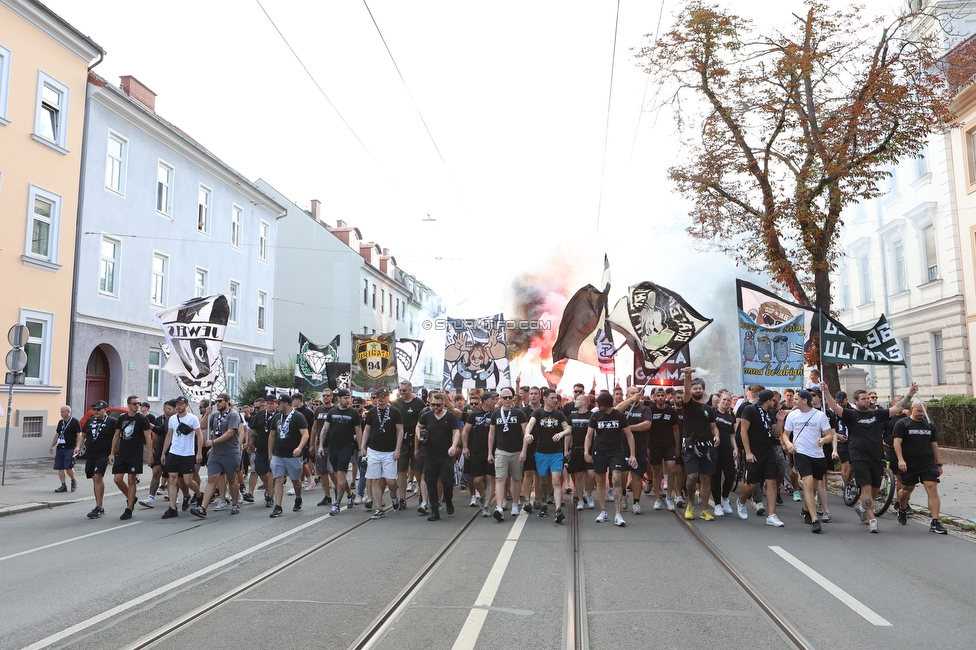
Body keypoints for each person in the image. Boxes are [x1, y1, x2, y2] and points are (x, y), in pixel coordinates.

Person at [824, 383, 916, 533]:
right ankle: (872, 519)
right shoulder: (851, 414)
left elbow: (897, 408)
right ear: (856, 401)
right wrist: (827, 392)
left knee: (876, 488)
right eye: (863, 399)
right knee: (866, 488)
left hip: (876, 456)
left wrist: (910, 394)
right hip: (859, 457)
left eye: (868, 398)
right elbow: (835, 408)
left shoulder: (876, 414)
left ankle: (862, 508)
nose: (867, 401)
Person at [782, 390, 834, 533]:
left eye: (796, 399)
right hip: (800, 453)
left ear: (805, 400)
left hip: (817, 455)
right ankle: (815, 520)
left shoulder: (820, 415)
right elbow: (785, 434)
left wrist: (823, 440)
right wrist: (789, 444)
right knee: (808, 483)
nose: (793, 401)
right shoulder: (792, 415)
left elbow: (829, 435)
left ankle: (806, 510)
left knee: (814, 487)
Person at [584, 392, 637, 527]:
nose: (597, 406)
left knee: (616, 480)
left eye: (599, 404)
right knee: (600, 482)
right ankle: (603, 511)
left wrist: (632, 454)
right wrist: (586, 452)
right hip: (599, 452)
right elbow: (589, 435)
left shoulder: (619, 416)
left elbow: (629, 435)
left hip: (616, 452)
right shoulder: (595, 416)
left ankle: (618, 514)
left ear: (605, 405)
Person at [892, 402, 947, 534]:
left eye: (923, 411)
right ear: (911, 409)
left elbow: (934, 445)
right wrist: (900, 459)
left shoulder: (929, 425)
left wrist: (939, 464)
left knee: (932, 488)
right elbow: (896, 442)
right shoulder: (902, 424)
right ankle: (902, 508)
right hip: (909, 463)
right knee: (906, 490)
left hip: (927, 463)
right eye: (918, 411)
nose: (921, 414)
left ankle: (935, 522)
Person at [735, 390, 785, 526]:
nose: (774, 403)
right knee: (752, 483)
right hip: (754, 451)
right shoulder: (750, 410)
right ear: (768, 401)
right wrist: (748, 452)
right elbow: (743, 431)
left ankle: (771, 515)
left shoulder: (769, 413)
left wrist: (780, 422)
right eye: (773, 400)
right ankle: (742, 501)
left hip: (768, 450)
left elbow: (775, 434)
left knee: (772, 481)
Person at [190, 393, 242, 518]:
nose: (217, 403)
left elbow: (230, 433)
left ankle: (235, 503)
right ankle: (203, 508)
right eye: (216, 401)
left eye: (220, 401)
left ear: (227, 402)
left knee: (231, 478)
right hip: (216, 453)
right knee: (212, 478)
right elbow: (201, 426)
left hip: (230, 452)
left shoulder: (233, 415)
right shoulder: (215, 415)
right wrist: (207, 414)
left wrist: (213, 442)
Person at [679, 368, 720, 521]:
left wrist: (717, 436)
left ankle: (704, 509)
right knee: (692, 477)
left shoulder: (709, 409)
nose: (697, 390)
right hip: (690, 447)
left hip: (707, 448)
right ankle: (690, 504)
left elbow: (713, 426)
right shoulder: (688, 404)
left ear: (703, 390)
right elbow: (686, 391)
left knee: (706, 478)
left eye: (700, 388)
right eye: (694, 388)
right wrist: (687, 376)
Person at [525, 388, 571, 523]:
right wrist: (528, 434)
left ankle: (558, 510)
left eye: (556, 398)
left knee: (556, 480)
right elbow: (530, 424)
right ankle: (544, 505)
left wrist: (562, 433)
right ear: (544, 398)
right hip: (541, 452)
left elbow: (568, 428)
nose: (555, 400)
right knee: (543, 481)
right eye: (552, 398)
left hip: (556, 453)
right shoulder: (538, 412)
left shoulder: (559, 414)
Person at [417, 392, 461, 521]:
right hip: (430, 454)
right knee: (431, 481)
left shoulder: (450, 416)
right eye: (432, 405)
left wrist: (453, 446)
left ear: (443, 404)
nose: (435, 407)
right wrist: (420, 436)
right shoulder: (426, 416)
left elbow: (456, 431)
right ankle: (434, 510)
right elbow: (418, 427)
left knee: (447, 481)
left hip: (446, 455)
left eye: (438, 405)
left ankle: (448, 498)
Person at [487, 386, 529, 521]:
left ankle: (515, 503)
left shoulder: (519, 413)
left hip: (517, 451)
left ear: (513, 399)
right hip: (501, 451)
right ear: (500, 398)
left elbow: (525, 433)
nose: (507, 400)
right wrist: (490, 452)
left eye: (509, 397)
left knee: (517, 478)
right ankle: (499, 507)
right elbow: (491, 434)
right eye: (504, 397)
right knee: (500, 478)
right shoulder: (496, 414)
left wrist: (524, 451)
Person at [360, 387, 403, 520]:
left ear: (388, 397)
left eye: (382, 396)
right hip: (374, 450)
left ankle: (394, 495)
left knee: (390, 481)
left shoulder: (395, 412)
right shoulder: (372, 412)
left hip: (389, 451)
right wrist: (363, 447)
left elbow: (400, 431)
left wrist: (397, 449)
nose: (379, 398)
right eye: (377, 396)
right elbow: (367, 430)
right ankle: (379, 508)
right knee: (375, 480)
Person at [109, 395, 153, 520]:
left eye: (138, 403)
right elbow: (117, 436)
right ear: (128, 405)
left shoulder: (142, 419)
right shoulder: (122, 418)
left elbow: (148, 438)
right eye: (134, 404)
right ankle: (131, 497)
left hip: (135, 453)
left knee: (131, 480)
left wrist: (150, 455)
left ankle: (129, 509)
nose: (137, 406)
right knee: (117, 479)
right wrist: (112, 453)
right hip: (123, 452)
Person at [160, 396, 203, 519]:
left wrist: (199, 452)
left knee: (188, 481)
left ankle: (199, 495)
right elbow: (169, 436)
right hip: (174, 452)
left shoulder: (193, 419)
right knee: (172, 479)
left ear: (186, 405)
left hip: (187, 453)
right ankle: (172, 508)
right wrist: (164, 452)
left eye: (181, 404)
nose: (178, 407)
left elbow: (199, 435)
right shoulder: (172, 419)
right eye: (176, 405)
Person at [319, 389, 361, 514]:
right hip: (333, 448)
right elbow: (325, 430)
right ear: (339, 399)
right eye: (345, 398)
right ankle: (350, 494)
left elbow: (358, 432)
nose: (348, 401)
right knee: (339, 476)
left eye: (349, 398)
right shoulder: (332, 412)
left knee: (341, 474)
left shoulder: (353, 413)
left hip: (346, 448)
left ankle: (336, 504)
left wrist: (361, 448)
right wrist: (321, 445)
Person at [269, 394, 310, 518]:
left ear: (285, 404)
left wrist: (299, 447)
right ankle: (278, 506)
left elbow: (305, 434)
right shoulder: (276, 417)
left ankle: (298, 498)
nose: (277, 406)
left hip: (293, 456)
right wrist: (270, 453)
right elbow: (271, 436)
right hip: (278, 454)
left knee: (296, 482)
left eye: (279, 403)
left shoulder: (298, 417)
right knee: (279, 479)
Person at [615, 386, 652, 514]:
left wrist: (628, 428)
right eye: (632, 393)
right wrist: (630, 401)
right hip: (622, 447)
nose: (636, 394)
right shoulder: (623, 407)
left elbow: (646, 425)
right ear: (627, 394)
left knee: (637, 475)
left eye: (638, 393)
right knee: (622, 475)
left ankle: (636, 502)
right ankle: (624, 494)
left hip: (639, 447)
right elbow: (616, 410)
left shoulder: (645, 409)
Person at [462, 391, 497, 517]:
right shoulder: (475, 414)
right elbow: (465, 431)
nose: (495, 401)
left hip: (492, 451)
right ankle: (482, 495)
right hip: (476, 450)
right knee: (477, 480)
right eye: (493, 399)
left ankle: (487, 505)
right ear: (486, 400)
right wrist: (465, 447)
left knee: (489, 478)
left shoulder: (496, 414)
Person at [82, 401, 118, 519]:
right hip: (91, 454)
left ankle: (99, 506)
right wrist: (78, 447)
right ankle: (99, 505)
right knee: (94, 478)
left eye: (99, 409)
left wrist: (112, 453)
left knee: (98, 476)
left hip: (104, 454)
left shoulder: (112, 422)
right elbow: (83, 435)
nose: (96, 411)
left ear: (105, 410)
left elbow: (118, 438)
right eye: (94, 409)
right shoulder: (90, 420)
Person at [647, 387, 680, 511]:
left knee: (672, 469)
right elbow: (646, 429)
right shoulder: (650, 410)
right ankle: (657, 499)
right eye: (658, 395)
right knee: (656, 472)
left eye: (662, 395)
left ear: (665, 397)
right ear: (654, 397)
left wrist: (677, 446)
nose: (660, 398)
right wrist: (647, 446)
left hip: (669, 445)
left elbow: (676, 429)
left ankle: (669, 497)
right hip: (654, 445)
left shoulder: (671, 411)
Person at [393, 381, 426, 505]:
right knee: (401, 470)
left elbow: (425, 420)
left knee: (416, 468)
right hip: (401, 441)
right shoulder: (396, 403)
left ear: (410, 390)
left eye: (404, 390)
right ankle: (402, 498)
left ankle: (422, 493)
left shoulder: (419, 403)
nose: (402, 392)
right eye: (400, 390)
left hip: (416, 440)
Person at [140, 400, 176, 509]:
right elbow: (156, 434)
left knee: (173, 475)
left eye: (171, 409)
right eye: (167, 409)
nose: (169, 411)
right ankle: (151, 498)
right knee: (156, 472)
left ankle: (176, 496)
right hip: (160, 449)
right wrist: (152, 451)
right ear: (164, 409)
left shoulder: (176, 420)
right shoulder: (159, 419)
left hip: (173, 450)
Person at [567, 394, 596, 511]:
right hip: (576, 449)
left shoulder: (593, 416)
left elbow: (595, 434)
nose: (575, 401)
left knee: (592, 474)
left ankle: (588, 494)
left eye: (578, 399)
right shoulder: (572, 416)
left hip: (590, 449)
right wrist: (566, 449)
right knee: (578, 475)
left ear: (584, 402)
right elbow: (568, 435)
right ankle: (579, 500)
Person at [710, 392, 737, 517]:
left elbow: (732, 435)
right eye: (724, 400)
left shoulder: (731, 417)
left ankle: (725, 498)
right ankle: (717, 504)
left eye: (728, 400)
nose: (726, 402)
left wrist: (735, 448)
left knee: (731, 475)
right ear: (720, 400)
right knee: (715, 478)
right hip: (714, 449)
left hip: (727, 450)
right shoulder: (713, 412)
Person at [248, 396, 278, 508]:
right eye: (268, 403)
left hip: (275, 449)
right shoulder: (260, 414)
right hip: (260, 448)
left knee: (271, 472)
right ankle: (269, 486)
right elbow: (254, 429)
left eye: (272, 403)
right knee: (260, 471)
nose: (269, 405)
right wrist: (250, 443)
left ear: (276, 404)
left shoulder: (279, 415)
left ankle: (270, 496)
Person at [50, 406, 81, 493]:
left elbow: (79, 435)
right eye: (61, 412)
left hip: (70, 448)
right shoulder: (61, 422)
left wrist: (77, 446)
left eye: (63, 412)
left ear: (68, 412)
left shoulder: (75, 422)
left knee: (68, 467)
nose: (61, 413)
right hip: (60, 447)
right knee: (60, 467)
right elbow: (57, 434)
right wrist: (52, 445)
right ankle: (63, 485)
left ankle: (73, 480)